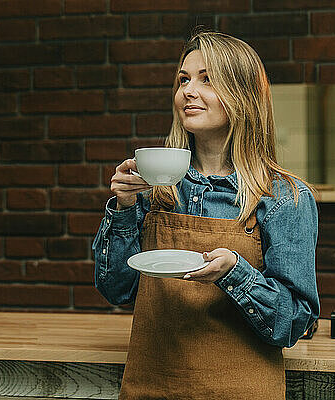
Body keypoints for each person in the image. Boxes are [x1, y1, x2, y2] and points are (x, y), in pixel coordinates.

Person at [92, 29, 320, 400]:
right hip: (151, 388)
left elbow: (294, 322)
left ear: (242, 95)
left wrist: (236, 273)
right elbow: (116, 290)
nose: (188, 91)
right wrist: (122, 209)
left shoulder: (283, 198)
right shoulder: (155, 189)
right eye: (184, 79)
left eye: (207, 79)